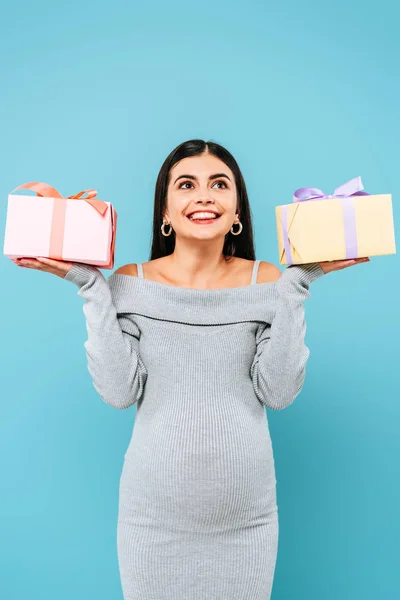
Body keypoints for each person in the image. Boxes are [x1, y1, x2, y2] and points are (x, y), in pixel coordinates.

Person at [12, 139, 370, 599]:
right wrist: (90, 287)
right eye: (186, 184)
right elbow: (119, 392)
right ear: (166, 211)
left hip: (247, 526)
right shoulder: (131, 284)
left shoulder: (269, 282)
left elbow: (278, 392)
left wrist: (297, 284)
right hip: (151, 526)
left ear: (236, 209)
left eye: (219, 184)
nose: (204, 195)